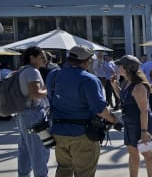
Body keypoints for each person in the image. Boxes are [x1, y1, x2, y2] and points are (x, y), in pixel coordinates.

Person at [47, 45, 120, 177]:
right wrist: (115, 120)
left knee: (63, 170)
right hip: (82, 134)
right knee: (85, 172)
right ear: (87, 61)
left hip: (58, 131)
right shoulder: (88, 79)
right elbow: (99, 109)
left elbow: (50, 99)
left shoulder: (54, 75)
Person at [111, 55, 152, 177]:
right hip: (130, 124)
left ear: (127, 68)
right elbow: (124, 98)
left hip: (141, 124)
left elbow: (144, 111)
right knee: (133, 153)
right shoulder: (127, 82)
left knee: (147, 154)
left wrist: (144, 131)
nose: (118, 67)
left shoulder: (139, 86)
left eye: (120, 65)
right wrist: (114, 86)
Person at [14, 47, 51, 177]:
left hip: (23, 113)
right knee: (39, 150)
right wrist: (48, 90)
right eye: (41, 56)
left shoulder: (22, 70)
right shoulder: (32, 71)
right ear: (32, 58)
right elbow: (35, 94)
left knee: (24, 149)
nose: (44, 59)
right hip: (34, 114)